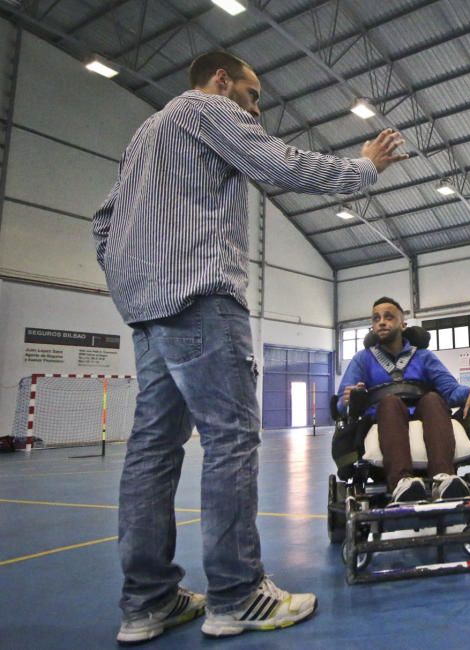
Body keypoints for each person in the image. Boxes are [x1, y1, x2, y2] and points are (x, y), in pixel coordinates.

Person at [92, 51, 407, 643]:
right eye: (252, 92)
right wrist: (362, 168)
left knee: (151, 452)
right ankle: (237, 595)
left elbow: (104, 223)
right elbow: (278, 163)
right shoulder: (206, 109)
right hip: (202, 300)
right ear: (219, 80)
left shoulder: (145, 135)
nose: (255, 107)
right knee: (231, 439)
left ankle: (147, 602)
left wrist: (132, 284)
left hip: (148, 311)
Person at [337, 297, 470, 504]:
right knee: (389, 403)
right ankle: (402, 482)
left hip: (422, 412)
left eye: (389, 317)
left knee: (434, 399)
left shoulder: (423, 357)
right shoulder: (362, 359)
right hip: (383, 417)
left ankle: (443, 479)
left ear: (403, 324)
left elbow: (450, 391)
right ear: (372, 326)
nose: (381, 322)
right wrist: (349, 399)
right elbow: (340, 404)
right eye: (376, 318)